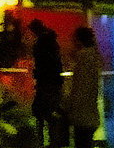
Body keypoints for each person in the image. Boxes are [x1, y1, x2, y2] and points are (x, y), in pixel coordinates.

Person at [29, 18, 64, 147]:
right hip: (54, 83)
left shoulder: (40, 44)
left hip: (45, 83)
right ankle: (53, 141)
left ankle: (40, 142)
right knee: (51, 114)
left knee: (40, 113)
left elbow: (42, 65)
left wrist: (37, 75)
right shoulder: (52, 42)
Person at [66, 24, 102, 148]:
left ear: (78, 40)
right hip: (90, 114)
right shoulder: (93, 57)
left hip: (82, 116)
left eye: (74, 39)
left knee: (82, 143)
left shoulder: (84, 58)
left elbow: (80, 88)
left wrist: (70, 105)